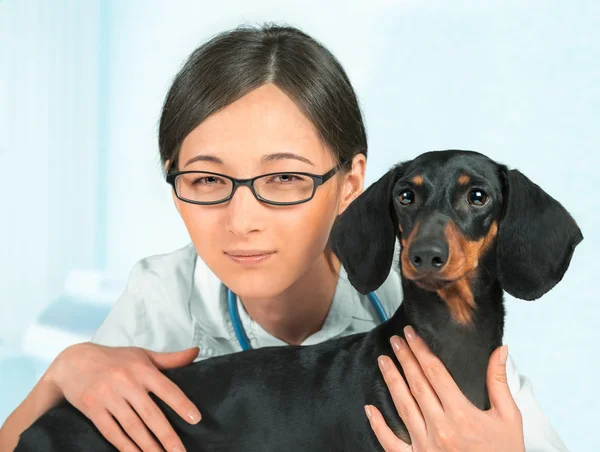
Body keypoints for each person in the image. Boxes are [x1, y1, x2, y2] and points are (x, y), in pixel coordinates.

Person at [0, 24, 568, 452]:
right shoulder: (159, 299)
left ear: (350, 186)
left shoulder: (434, 310)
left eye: (284, 177)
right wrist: (62, 373)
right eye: (206, 179)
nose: (243, 218)